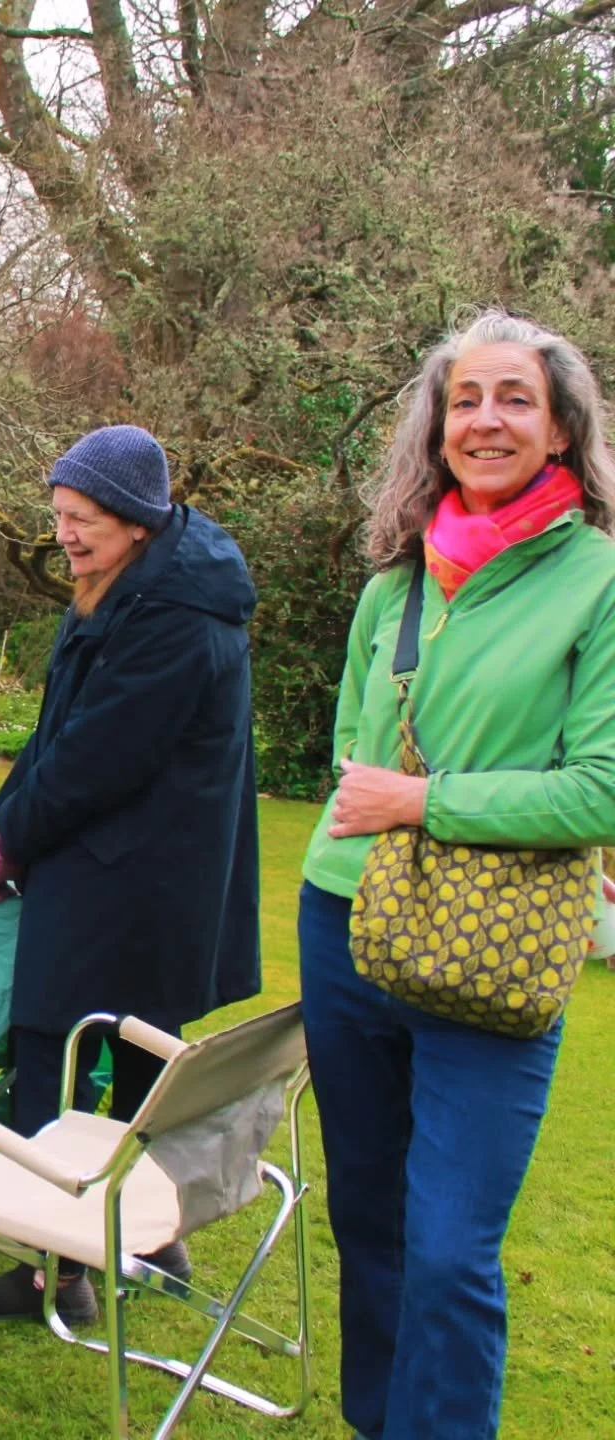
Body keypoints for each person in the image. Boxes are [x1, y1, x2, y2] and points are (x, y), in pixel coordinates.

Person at [298, 311, 615, 1440]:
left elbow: (605, 788)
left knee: (448, 1251)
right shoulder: (395, 587)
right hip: (344, 922)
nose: (488, 420)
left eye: (515, 399)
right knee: (369, 1220)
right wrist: (372, 802)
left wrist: (425, 804)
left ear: (562, 429)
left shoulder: (598, 579)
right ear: (436, 431)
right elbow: (350, 748)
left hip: (494, 947)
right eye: (466, 400)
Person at [0, 424, 261, 1322]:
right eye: (61, 516)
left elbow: (96, 760)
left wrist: (20, 844)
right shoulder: (135, 586)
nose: (67, 535)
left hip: (131, 881)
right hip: (136, 875)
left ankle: (59, 1271)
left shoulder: (174, 618)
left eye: (84, 519)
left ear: (138, 521)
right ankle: (149, 1241)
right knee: (128, 1055)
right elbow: (59, 726)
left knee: (56, 1056)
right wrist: (0, 819)